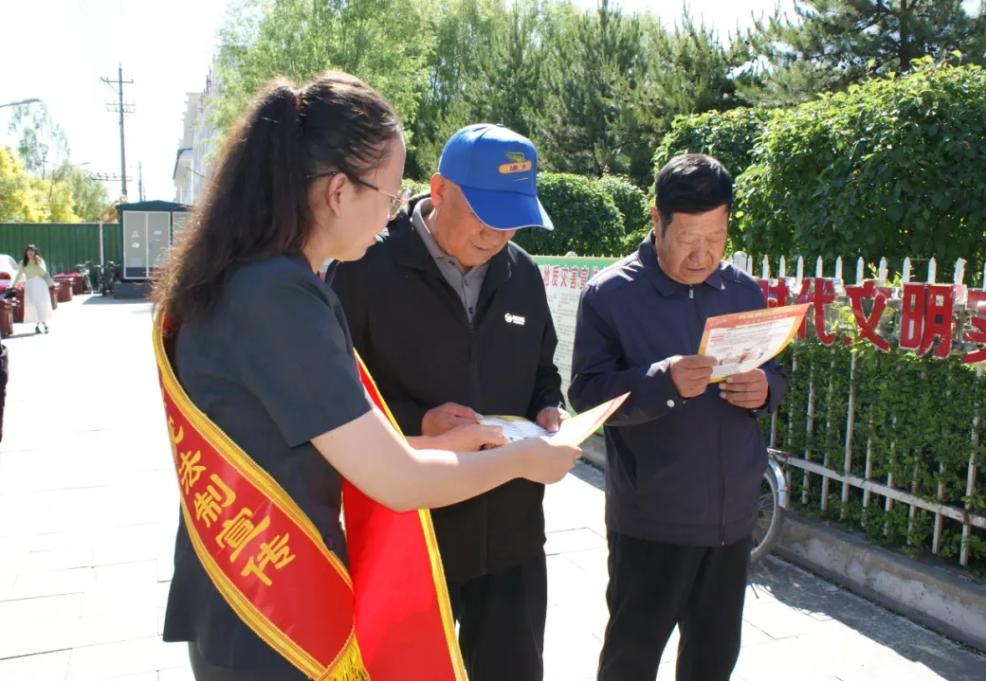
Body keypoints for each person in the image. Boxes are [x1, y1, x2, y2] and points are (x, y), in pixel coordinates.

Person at [151, 74, 580, 681]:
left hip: (266, 590)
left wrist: (451, 443)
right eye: (389, 193)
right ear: (338, 191)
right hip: (267, 613)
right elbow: (396, 479)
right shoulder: (279, 298)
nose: (391, 213)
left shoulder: (265, 280)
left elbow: (334, 440)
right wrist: (520, 460)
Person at [329, 123, 565, 681]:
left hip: (510, 533)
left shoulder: (522, 274)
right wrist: (418, 422)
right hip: (411, 534)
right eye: (486, 214)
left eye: (513, 219)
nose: (498, 234)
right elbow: (336, 396)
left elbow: (543, 370)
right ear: (438, 191)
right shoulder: (365, 268)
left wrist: (548, 408)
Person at [569, 153, 787, 681]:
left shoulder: (742, 290)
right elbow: (586, 395)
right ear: (657, 219)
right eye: (689, 238)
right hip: (653, 519)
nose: (702, 255)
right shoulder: (612, 295)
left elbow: (775, 370)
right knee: (631, 659)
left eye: (717, 237)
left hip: (731, 519)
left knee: (713, 660)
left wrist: (764, 388)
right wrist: (660, 382)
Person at [14, 245, 52, 334]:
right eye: (28, 251)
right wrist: (13, 285)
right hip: (30, 285)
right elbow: (18, 275)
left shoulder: (40, 260)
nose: (30, 253)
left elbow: (43, 273)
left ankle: (44, 324)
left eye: (32, 251)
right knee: (33, 305)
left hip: (41, 284)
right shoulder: (23, 262)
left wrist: (38, 263)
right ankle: (39, 325)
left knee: (41, 304)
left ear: (35, 252)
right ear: (26, 252)